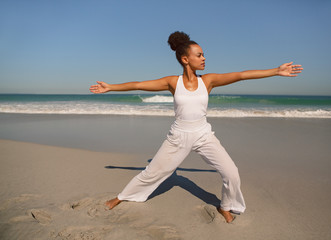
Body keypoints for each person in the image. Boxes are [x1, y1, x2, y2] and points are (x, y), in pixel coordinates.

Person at [89, 31, 303, 223]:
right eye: (199, 55)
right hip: (178, 136)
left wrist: (276, 71)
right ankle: (122, 197)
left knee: (232, 173)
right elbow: (138, 85)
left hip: (203, 135)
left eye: (203, 54)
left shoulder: (208, 81)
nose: (204, 58)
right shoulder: (173, 82)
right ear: (185, 59)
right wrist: (111, 87)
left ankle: (226, 206)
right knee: (152, 172)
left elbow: (241, 75)